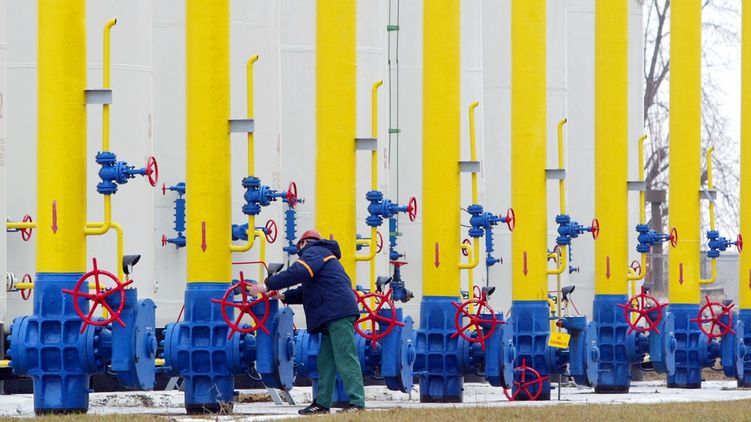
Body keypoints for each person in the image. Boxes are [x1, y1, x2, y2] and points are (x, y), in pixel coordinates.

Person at [249, 229, 365, 414]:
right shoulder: (323, 257)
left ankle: (357, 403)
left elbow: (299, 271)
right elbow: (308, 292)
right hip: (333, 313)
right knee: (326, 362)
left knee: (345, 357)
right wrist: (283, 296)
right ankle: (322, 404)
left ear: (303, 243)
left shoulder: (316, 251)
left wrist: (267, 284)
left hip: (337, 313)